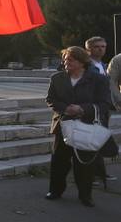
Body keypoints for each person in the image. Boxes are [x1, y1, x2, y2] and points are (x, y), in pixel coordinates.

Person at [45, 46, 112, 208]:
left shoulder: (98, 80)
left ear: (82, 62)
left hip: (86, 126)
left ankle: (85, 195)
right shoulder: (57, 78)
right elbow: (50, 99)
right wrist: (65, 108)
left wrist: (83, 109)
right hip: (63, 125)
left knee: (84, 163)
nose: (66, 62)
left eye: (71, 60)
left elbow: (105, 104)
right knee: (59, 160)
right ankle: (55, 190)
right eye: (65, 59)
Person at [84, 36, 115, 183]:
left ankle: (100, 172)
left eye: (103, 46)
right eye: (97, 46)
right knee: (92, 142)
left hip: (103, 108)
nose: (101, 49)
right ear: (88, 49)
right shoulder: (86, 66)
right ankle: (92, 174)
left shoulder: (103, 65)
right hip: (92, 108)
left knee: (100, 140)